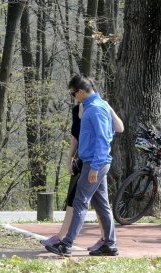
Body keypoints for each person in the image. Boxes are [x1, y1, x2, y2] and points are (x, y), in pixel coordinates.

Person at [44, 74, 118, 257]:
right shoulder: (94, 107)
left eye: (74, 94)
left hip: (95, 163)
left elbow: (103, 139)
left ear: (82, 92)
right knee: (101, 205)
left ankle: (66, 244)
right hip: (94, 162)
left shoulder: (95, 109)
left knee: (80, 202)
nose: (74, 97)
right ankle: (109, 244)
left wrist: (94, 166)